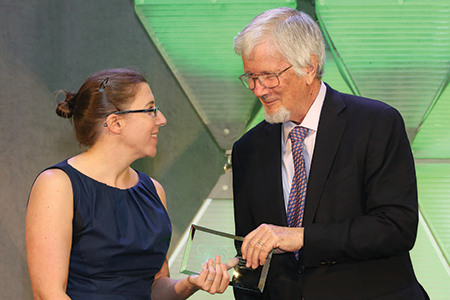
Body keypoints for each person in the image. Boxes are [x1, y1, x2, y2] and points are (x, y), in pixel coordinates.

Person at [231, 7, 429, 300]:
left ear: (309, 67)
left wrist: (300, 238)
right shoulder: (247, 149)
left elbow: (396, 226)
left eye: (269, 76)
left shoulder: (375, 123)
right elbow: (249, 253)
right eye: (250, 76)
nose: (258, 89)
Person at [26, 68, 233, 300]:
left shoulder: (154, 191)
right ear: (115, 123)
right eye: (150, 110)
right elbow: (48, 294)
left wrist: (191, 284)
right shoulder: (58, 185)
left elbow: (154, 287)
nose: (162, 119)